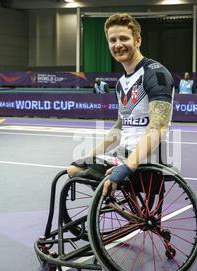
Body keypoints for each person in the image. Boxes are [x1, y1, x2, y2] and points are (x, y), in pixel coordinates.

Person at [67, 13, 174, 197]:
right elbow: (119, 128)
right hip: (122, 153)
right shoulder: (120, 84)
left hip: (147, 159)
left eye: (124, 38)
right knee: (73, 169)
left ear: (138, 40)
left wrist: (129, 165)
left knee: (91, 174)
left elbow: (159, 127)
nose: (118, 45)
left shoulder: (155, 74)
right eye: (112, 40)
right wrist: (91, 156)